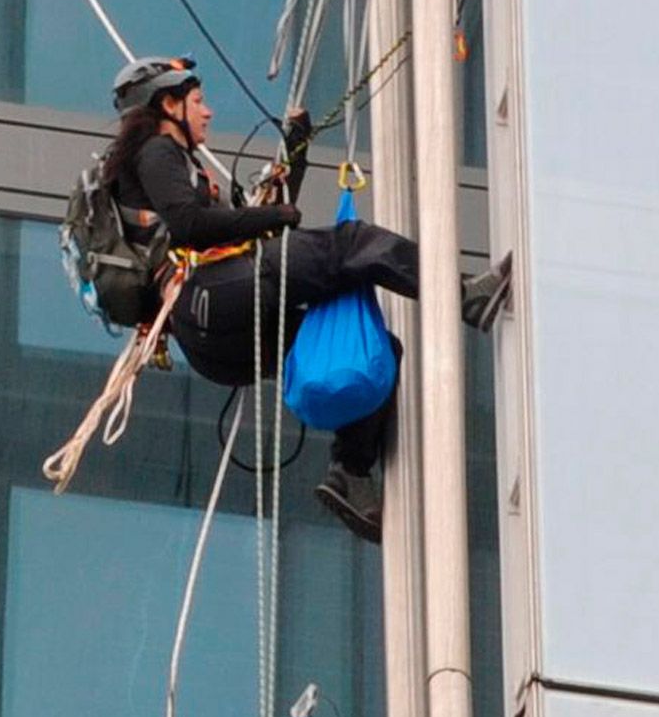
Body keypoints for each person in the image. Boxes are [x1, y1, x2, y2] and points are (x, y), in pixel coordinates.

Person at [107, 55, 512, 543]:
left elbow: (247, 230)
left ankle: (351, 474)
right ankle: (465, 297)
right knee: (350, 244)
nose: (208, 112)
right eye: (198, 102)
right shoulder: (157, 153)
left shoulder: (177, 170)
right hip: (209, 297)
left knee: (370, 350)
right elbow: (199, 228)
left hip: (217, 330)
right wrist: (273, 218)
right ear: (168, 105)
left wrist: (294, 155)